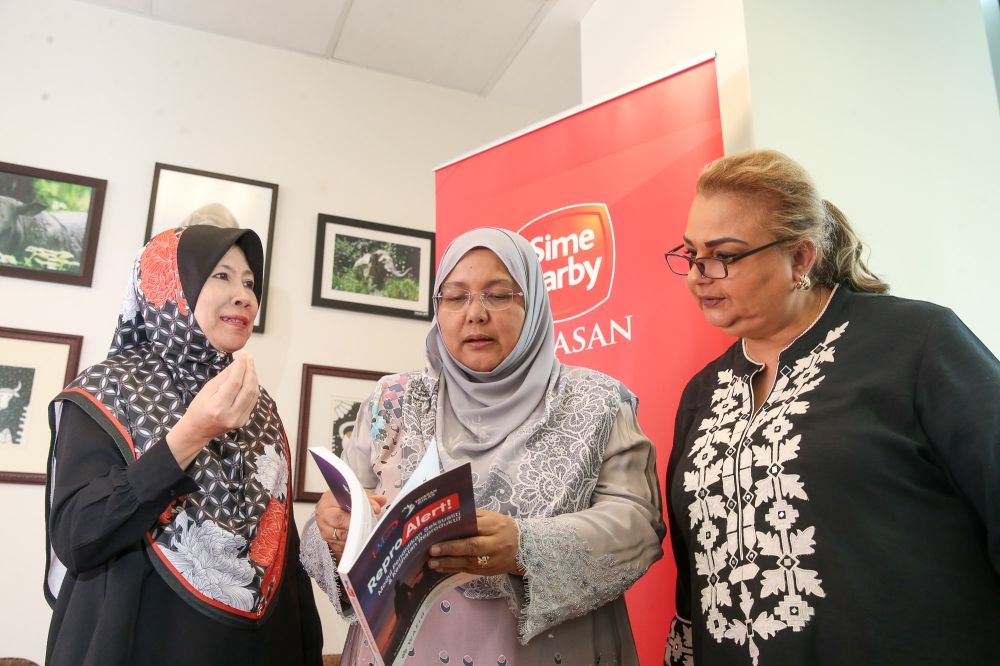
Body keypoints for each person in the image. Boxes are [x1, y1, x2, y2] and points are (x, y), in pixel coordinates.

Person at [663, 149, 1000, 665]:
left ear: (801, 257)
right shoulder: (703, 392)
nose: (699, 275)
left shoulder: (916, 342)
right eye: (691, 254)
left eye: (724, 255)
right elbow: (695, 573)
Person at [300, 227, 665, 665]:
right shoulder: (392, 401)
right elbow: (347, 508)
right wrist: (333, 528)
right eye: (455, 297)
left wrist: (525, 546)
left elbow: (638, 525)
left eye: (498, 295)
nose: (475, 313)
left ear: (531, 304)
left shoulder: (597, 402)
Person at [44, 226, 323, 666]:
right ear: (170, 287)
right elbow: (78, 538)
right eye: (221, 276)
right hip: (134, 645)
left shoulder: (256, 403)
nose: (244, 296)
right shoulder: (107, 392)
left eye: (250, 283)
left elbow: (281, 557)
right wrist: (190, 434)